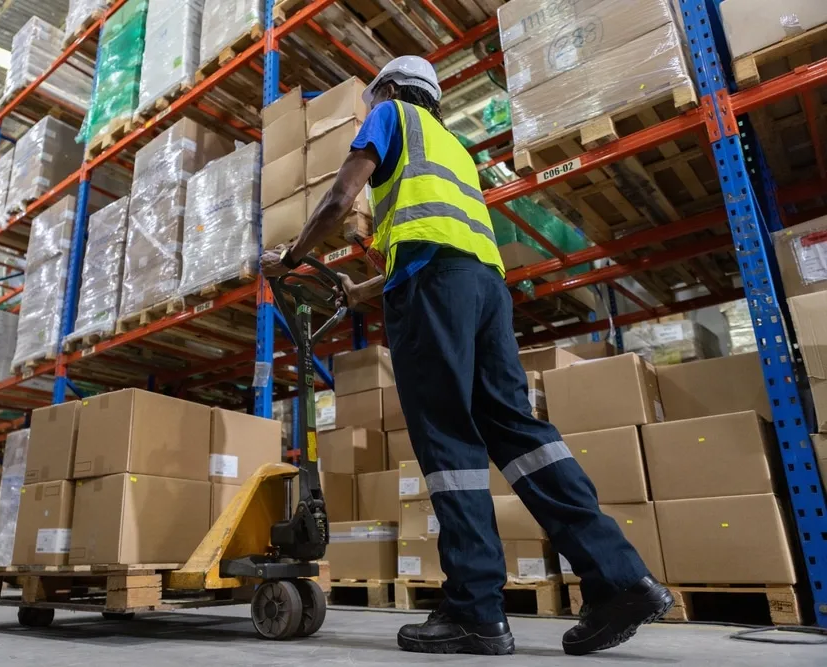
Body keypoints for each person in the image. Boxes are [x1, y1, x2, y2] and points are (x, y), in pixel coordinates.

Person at [261, 56, 673, 656]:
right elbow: (443, 242)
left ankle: (476, 612)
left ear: (394, 91)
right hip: (484, 292)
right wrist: (362, 291)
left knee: (448, 438)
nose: (374, 104)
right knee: (520, 431)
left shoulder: (391, 116)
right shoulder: (456, 150)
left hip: (435, 294)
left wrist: (293, 256)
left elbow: (339, 196)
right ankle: (621, 579)